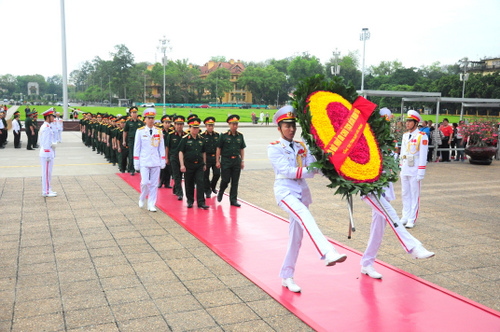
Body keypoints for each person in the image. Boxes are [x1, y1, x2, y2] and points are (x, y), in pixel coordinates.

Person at [268, 106, 347, 293]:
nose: (291, 129)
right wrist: (311, 171)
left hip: (301, 191)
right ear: (279, 128)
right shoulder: (274, 147)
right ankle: (327, 252)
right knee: (305, 216)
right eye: (286, 125)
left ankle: (287, 275)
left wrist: (336, 172)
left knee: (296, 238)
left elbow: (315, 166)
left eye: (293, 125)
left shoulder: (302, 146)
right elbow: (287, 171)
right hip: (285, 191)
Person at [360, 108, 435, 279]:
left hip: (384, 188)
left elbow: (394, 159)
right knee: (392, 214)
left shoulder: (388, 140)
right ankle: (413, 247)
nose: (387, 126)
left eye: (389, 122)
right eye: (384, 123)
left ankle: (367, 263)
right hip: (370, 189)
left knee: (377, 230)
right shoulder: (367, 139)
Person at [399, 110, 429, 229]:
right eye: (407, 121)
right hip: (405, 167)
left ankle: (412, 218)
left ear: (416, 123)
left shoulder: (422, 136)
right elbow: (402, 152)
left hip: (415, 168)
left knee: (414, 194)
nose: (407, 123)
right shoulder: (405, 135)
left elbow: (423, 155)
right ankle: (405, 216)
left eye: (410, 121)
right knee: (405, 193)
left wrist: (421, 172)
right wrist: (401, 166)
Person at [133, 108, 166, 212]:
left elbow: (161, 147)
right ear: (145, 119)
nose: (151, 120)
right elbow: (137, 147)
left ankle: (151, 204)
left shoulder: (158, 131)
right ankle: (142, 197)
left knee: (154, 184)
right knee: (145, 182)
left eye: (152, 118)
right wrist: (136, 161)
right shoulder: (140, 131)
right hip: (144, 160)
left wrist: (163, 160)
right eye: (149, 118)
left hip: (155, 160)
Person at [178, 117, 209, 209]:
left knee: (200, 182)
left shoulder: (201, 139)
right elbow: (180, 152)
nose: (195, 129)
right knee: (189, 183)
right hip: (189, 165)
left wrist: (204, 163)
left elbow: (203, 152)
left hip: (199, 164)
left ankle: (201, 202)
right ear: (190, 128)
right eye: (193, 127)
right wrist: (182, 165)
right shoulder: (185, 139)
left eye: (197, 127)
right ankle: (190, 201)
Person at [216, 114, 246, 207]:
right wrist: (217, 161)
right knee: (225, 179)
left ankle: (233, 200)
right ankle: (221, 191)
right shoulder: (223, 136)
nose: (235, 126)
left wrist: (242, 160)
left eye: (236, 124)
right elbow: (218, 148)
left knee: (235, 181)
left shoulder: (240, 136)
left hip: (236, 161)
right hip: (226, 161)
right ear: (229, 124)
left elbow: (241, 149)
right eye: (233, 124)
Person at [166, 115, 186, 200]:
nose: (179, 126)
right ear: (174, 125)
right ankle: (180, 193)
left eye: (181, 124)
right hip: (173, 157)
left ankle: (175, 188)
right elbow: (167, 147)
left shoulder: (186, 135)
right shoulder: (171, 135)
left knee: (180, 175)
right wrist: (166, 158)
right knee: (176, 175)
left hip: (183, 159)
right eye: (177, 124)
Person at [39, 108, 58, 197]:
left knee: (48, 173)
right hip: (46, 153)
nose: (53, 118)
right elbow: (45, 142)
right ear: (48, 117)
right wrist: (48, 153)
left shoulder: (47, 126)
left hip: (48, 151)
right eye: (52, 116)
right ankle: (46, 191)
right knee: (46, 173)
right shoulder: (46, 128)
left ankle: (48, 189)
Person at [201, 116, 220, 198]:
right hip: (206, 158)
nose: (210, 127)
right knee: (206, 175)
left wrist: (217, 160)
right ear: (206, 126)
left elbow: (219, 148)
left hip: (215, 157)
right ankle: (207, 191)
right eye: (209, 125)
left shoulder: (217, 135)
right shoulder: (202, 136)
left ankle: (212, 186)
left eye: (212, 125)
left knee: (217, 174)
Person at [123, 107, 144, 175]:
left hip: (139, 141)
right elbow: (125, 132)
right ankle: (131, 169)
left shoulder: (140, 122)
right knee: (131, 154)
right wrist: (124, 141)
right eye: (133, 113)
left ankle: (138, 168)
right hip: (131, 140)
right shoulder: (128, 122)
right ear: (130, 114)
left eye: (136, 112)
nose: (135, 114)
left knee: (140, 154)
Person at [158, 115, 173, 188]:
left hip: (169, 152)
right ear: (163, 123)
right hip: (161, 151)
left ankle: (167, 183)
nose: (167, 124)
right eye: (166, 122)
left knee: (169, 168)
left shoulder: (171, 132)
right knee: (162, 168)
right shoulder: (159, 131)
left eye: (169, 123)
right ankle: (161, 182)